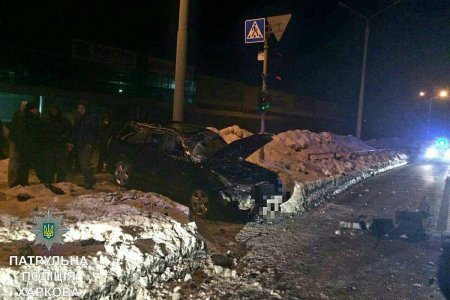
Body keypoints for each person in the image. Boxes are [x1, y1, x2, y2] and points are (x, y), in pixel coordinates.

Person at [16, 101, 48, 185]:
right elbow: (37, 132)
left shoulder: (23, 118)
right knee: (39, 163)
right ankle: (44, 179)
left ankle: (23, 182)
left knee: (24, 165)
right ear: (33, 109)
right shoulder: (33, 119)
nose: (37, 110)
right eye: (36, 109)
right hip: (33, 146)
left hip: (25, 146)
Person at [69, 101, 98, 189]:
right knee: (82, 164)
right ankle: (88, 181)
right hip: (80, 144)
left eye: (82, 108)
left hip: (86, 144)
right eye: (78, 108)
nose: (80, 110)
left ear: (86, 108)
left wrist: (90, 143)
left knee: (85, 163)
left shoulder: (91, 118)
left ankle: (90, 180)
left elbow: (94, 131)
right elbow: (75, 131)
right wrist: (72, 142)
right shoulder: (79, 118)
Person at [43, 105, 72, 183]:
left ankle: (61, 181)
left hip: (60, 145)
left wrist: (66, 139)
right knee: (50, 164)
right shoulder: (46, 120)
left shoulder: (63, 120)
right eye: (52, 110)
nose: (54, 112)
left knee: (61, 164)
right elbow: (43, 133)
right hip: (49, 146)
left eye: (55, 110)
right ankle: (49, 180)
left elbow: (69, 131)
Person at [8, 100, 28, 187]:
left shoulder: (22, 115)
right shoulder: (18, 115)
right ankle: (13, 181)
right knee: (14, 160)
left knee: (18, 161)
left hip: (20, 141)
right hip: (16, 141)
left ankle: (17, 180)